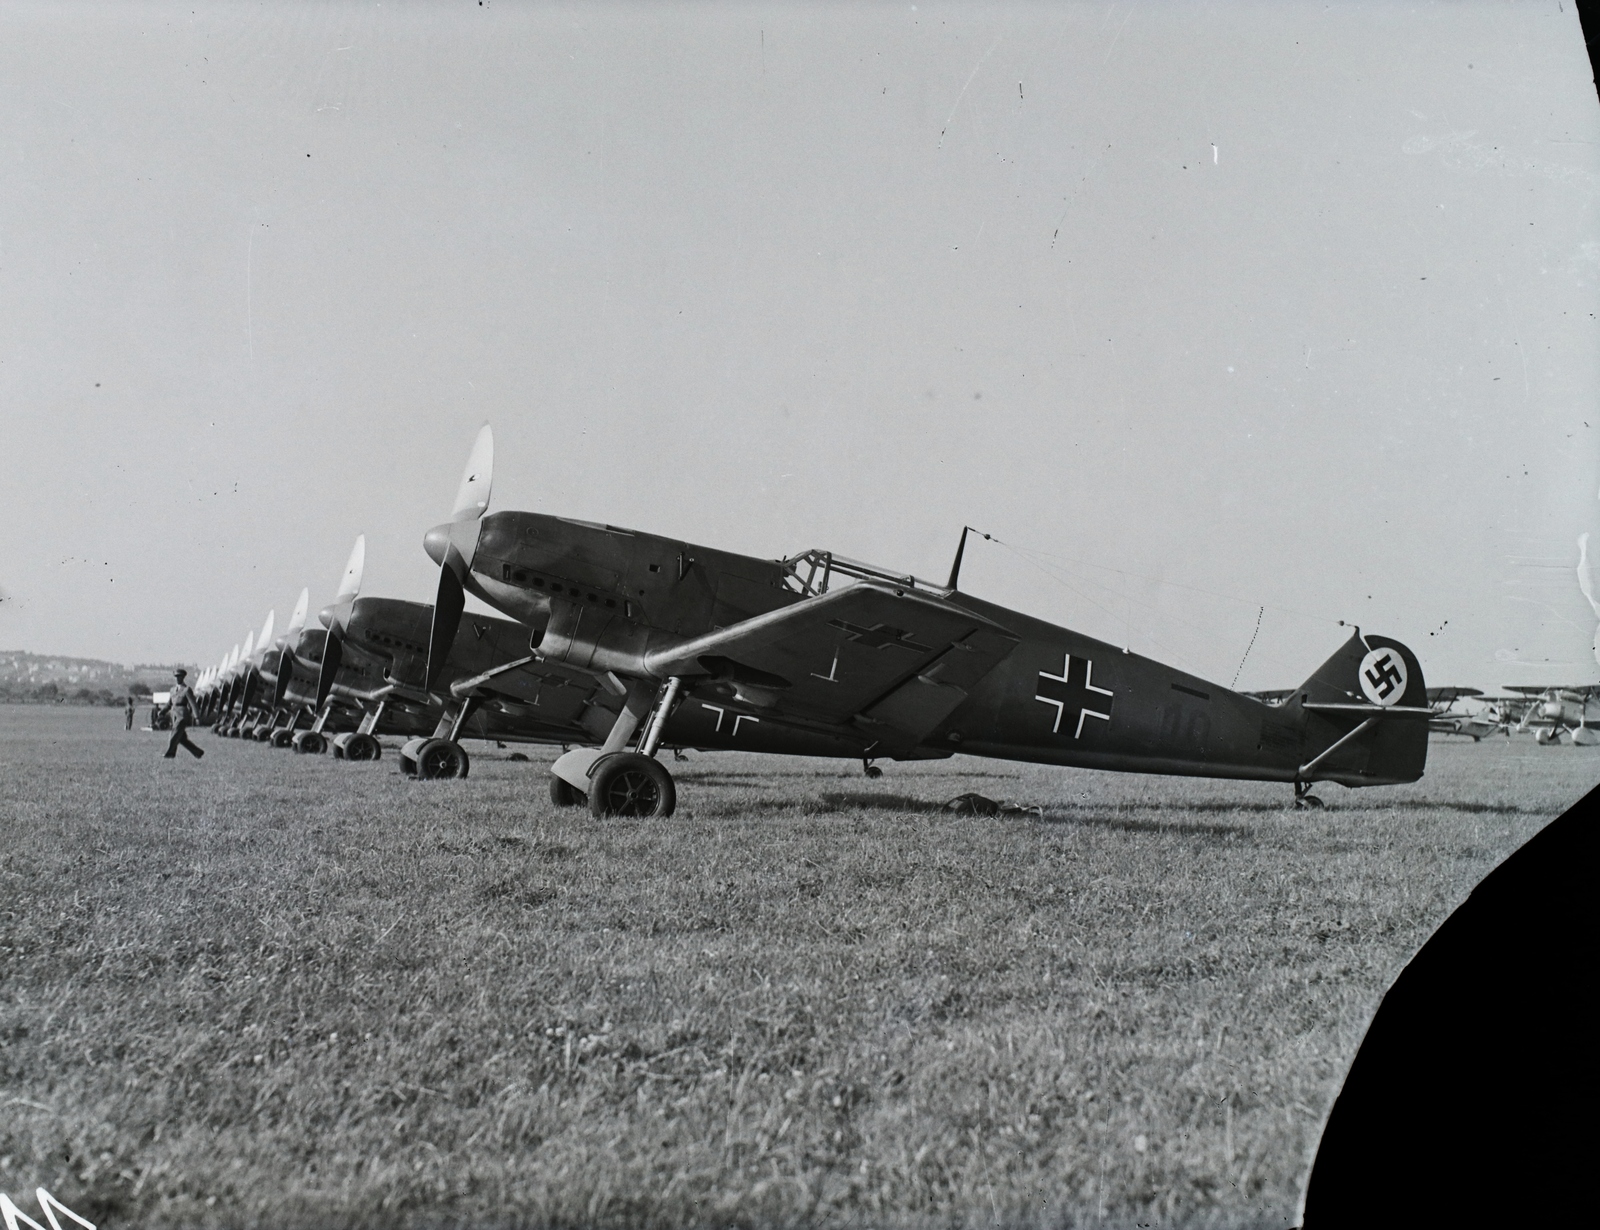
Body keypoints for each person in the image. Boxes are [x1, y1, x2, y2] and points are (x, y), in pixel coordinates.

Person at [163, 669, 204, 760]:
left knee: (174, 734)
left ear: (183, 677)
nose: (178, 678)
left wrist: (197, 717)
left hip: (182, 715)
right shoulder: (172, 690)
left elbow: (193, 704)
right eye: (176, 677)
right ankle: (198, 752)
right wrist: (163, 711)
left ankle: (170, 753)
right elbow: (169, 703)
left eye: (180, 677)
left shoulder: (186, 690)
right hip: (174, 715)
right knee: (181, 738)